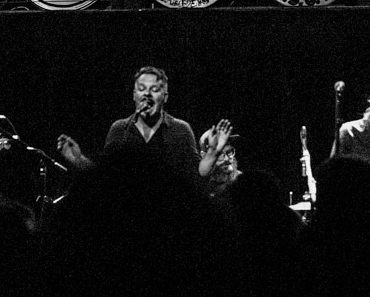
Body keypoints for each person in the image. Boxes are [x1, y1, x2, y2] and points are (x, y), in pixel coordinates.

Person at [56, 65, 228, 183]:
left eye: (154, 89)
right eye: (141, 88)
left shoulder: (180, 130)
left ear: (165, 96)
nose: (147, 94)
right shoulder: (120, 129)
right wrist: (79, 160)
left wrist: (213, 152)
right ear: (134, 95)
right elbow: (104, 177)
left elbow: (197, 176)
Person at [198, 120, 240, 198]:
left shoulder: (243, 182)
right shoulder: (198, 187)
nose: (227, 159)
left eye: (230, 152)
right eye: (219, 154)